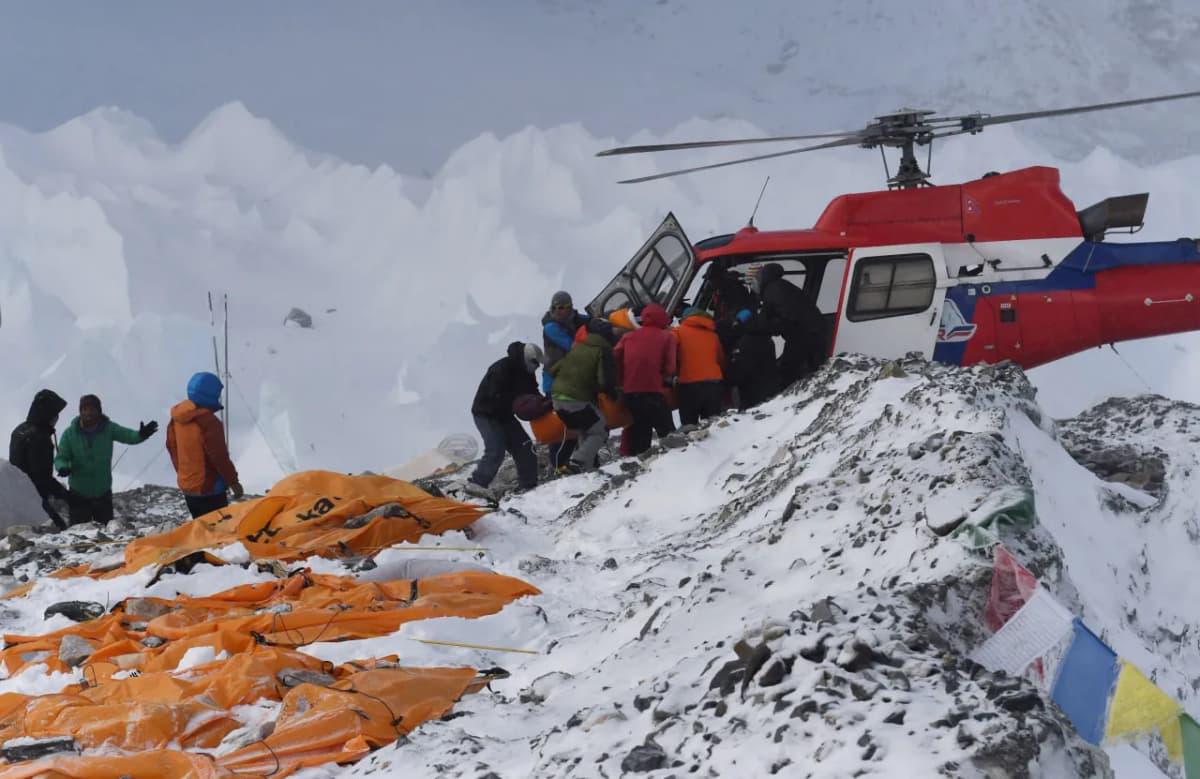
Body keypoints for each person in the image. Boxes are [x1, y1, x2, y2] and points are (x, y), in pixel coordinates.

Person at [54, 394, 158, 526]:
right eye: (84, 409)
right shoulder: (70, 433)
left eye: (92, 409)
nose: (88, 413)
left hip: (102, 494)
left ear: (99, 411)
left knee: (105, 531)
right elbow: (62, 457)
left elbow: (128, 436)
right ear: (80, 411)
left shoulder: (109, 428)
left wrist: (141, 435)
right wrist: (62, 466)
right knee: (78, 534)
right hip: (78, 494)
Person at [465, 341, 543, 497]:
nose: (537, 366)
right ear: (528, 357)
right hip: (486, 413)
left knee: (526, 448)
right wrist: (517, 403)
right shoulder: (503, 367)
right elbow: (493, 394)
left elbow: (532, 392)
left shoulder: (526, 371)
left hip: (504, 414)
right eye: (535, 362)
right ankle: (476, 484)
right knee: (495, 448)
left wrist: (543, 403)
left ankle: (529, 486)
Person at [166, 371, 242, 518]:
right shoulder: (209, 423)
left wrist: (186, 476)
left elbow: (172, 449)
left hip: (188, 489)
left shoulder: (176, 419)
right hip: (209, 490)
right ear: (210, 395)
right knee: (217, 533)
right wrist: (233, 482)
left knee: (200, 530)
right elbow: (219, 457)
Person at [547, 318, 616, 474]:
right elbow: (604, 381)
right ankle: (578, 461)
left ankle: (587, 469)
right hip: (574, 398)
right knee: (600, 429)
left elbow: (553, 370)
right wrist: (612, 393)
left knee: (586, 429)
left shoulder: (578, 347)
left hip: (557, 398)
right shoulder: (603, 350)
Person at [613, 302, 677, 455]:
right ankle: (675, 464)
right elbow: (670, 368)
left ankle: (642, 467)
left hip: (630, 393)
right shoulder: (667, 337)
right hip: (652, 390)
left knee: (641, 431)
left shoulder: (628, 336)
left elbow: (615, 358)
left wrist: (622, 380)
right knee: (667, 432)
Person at [758, 262, 827, 387]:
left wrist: (759, 327)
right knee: (811, 368)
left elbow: (772, 318)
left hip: (802, 334)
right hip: (813, 332)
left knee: (788, 372)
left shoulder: (772, 291)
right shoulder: (784, 286)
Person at [542, 291, 590, 468]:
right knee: (562, 427)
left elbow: (592, 320)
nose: (559, 311)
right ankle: (559, 466)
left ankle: (586, 463)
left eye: (563, 307)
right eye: (555, 307)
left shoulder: (576, 319)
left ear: (570, 307)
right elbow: (573, 346)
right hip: (554, 384)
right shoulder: (551, 327)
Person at [9, 389, 69, 529]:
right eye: (55, 414)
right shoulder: (40, 438)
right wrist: (65, 495)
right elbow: (41, 478)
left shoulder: (20, 430)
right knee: (60, 530)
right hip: (34, 499)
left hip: (16, 494)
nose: (57, 418)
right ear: (47, 413)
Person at [673, 307, 726, 426]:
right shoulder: (713, 336)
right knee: (713, 426)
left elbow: (668, 351)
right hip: (713, 384)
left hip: (689, 384)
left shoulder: (677, 332)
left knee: (689, 426)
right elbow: (721, 360)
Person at [726, 309, 779, 410]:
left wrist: (727, 379)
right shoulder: (767, 339)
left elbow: (739, 372)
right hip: (770, 390)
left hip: (751, 395)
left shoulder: (744, 342)